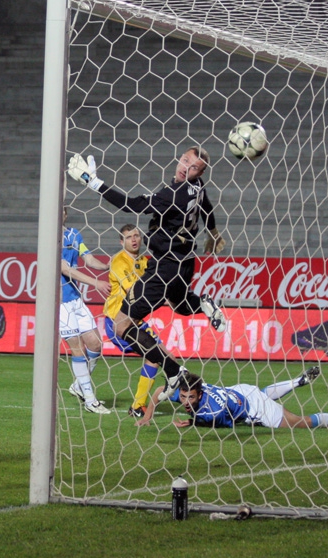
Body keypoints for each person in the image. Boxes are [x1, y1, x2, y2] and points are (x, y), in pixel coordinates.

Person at [68, 147, 226, 393]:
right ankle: (203, 303)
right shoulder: (198, 186)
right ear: (180, 158)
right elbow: (206, 206)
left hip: (165, 265)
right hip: (185, 262)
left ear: (200, 171)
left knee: (121, 324)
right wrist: (213, 233)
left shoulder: (172, 195)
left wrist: (93, 182)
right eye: (185, 160)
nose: (185, 167)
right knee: (181, 306)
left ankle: (172, 371)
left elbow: (131, 205)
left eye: (193, 167)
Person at [136, 367, 328, 430]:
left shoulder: (212, 411)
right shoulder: (189, 389)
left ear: (200, 394)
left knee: (299, 423)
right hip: (241, 389)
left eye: (191, 398)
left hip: (253, 408)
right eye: (183, 396)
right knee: (261, 393)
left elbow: (222, 423)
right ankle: (296, 382)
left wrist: (194, 422)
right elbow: (158, 392)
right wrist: (148, 415)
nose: (185, 401)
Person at [103, 223, 161, 419]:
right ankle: (140, 405)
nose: (134, 239)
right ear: (122, 241)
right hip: (117, 322)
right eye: (129, 237)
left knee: (156, 354)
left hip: (133, 321)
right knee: (156, 353)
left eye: (136, 235)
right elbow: (134, 290)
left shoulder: (144, 261)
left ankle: (138, 406)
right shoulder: (119, 261)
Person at [60, 207, 112, 414]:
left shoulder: (74, 234)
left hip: (74, 298)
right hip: (60, 300)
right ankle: (90, 400)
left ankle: (78, 385)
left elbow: (88, 259)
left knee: (95, 344)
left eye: (61, 211)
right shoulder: (49, 238)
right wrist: (96, 283)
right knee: (78, 349)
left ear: (64, 213)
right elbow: (64, 269)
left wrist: (108, 266)